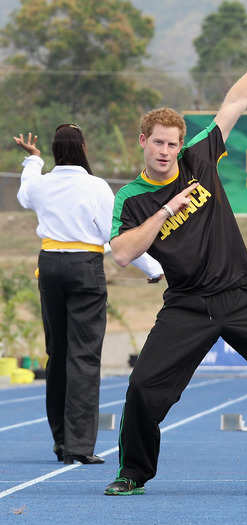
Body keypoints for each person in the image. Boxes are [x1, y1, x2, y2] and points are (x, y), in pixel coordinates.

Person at [103, 21, 247, 498]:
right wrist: (167, 208)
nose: (166, 151)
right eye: (158, 142)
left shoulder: (198, 158)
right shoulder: (131, 198)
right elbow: (122, 255)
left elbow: (236, 101)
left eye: (171, 142)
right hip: (187, 305)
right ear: (142, 141)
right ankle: (133, 472)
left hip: (241, 295)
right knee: (143, 389)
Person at [14, 124, 163, 466]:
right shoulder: (96, 187)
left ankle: (60, 441)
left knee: (58, 354)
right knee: (84, 356)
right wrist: (153, 269)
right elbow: (117, 237)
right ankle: (78, 446)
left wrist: (33, 162)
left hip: (49, 265)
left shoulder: (42, 182)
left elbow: (25, 194)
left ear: (54, 150)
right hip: (84, 267)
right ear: (82, 146)